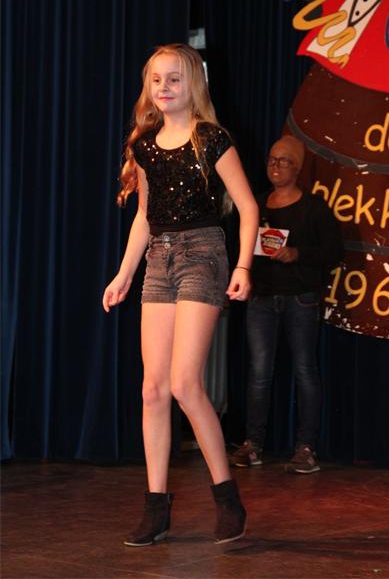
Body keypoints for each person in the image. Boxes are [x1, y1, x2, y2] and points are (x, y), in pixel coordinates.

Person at [102, 43, 258, 546]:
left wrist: (243, 265)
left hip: (203, 254)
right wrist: (124, 274)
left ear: (194, 85)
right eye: (156, 80)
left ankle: (227, 498)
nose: (164, 88)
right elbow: (144, 217)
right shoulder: (145, 147)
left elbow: (248, 206)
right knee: (153, 388)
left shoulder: (211, 139)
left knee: (186, 383)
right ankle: (156, 507)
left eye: (174, 79)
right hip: (159, 259)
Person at [230, 134, 343, 473]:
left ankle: (306, 449)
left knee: (305, 370)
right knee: (259, 373)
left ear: (298, 168)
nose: (275, 166)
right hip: (262, 298)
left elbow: (334, 252)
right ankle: (253, 445)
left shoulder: (314, 208)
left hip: (301, 299)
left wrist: (297, 254)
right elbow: (241, 247)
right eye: (271, 160)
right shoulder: (256, 206)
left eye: (283, 161)